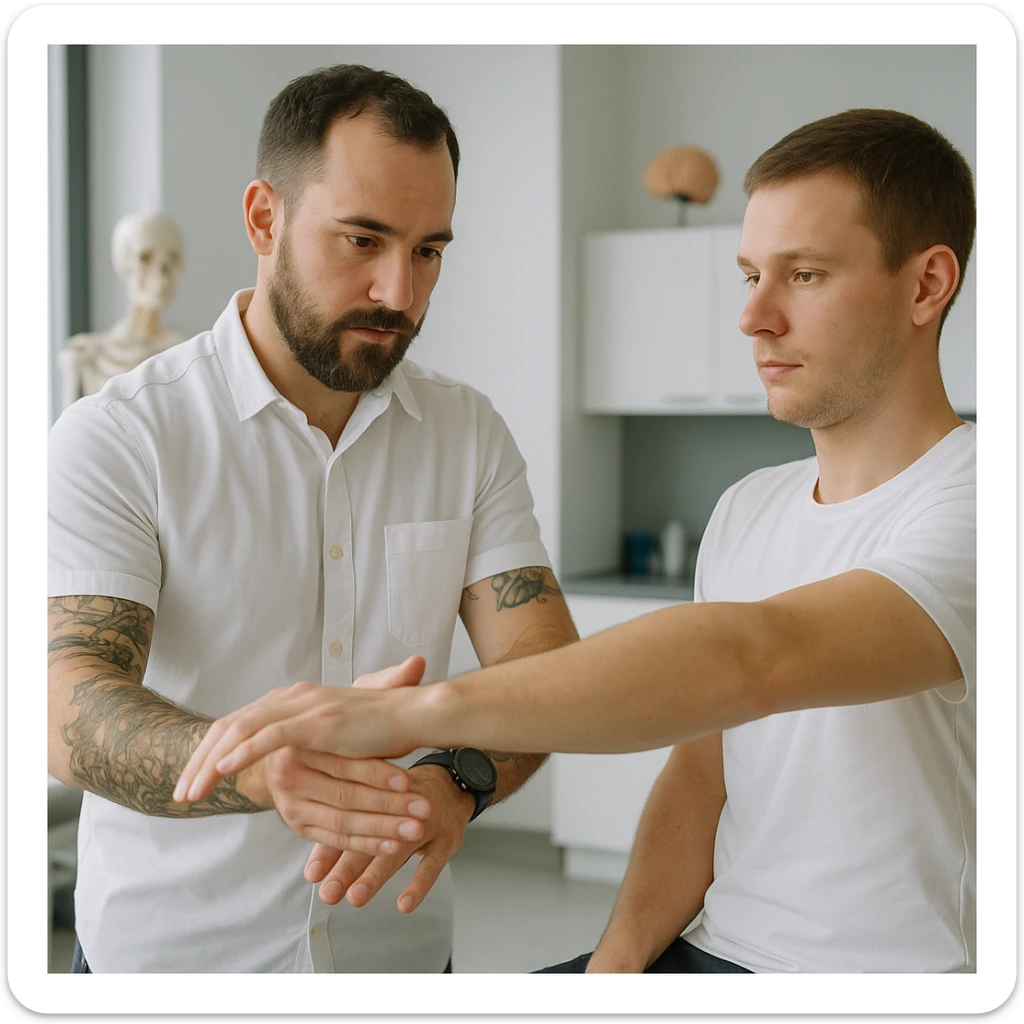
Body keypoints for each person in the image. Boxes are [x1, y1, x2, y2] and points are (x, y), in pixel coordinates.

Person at [178, 109, 977, 974]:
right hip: (711, 952)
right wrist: (613, 968)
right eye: (749, 274)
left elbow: (758, 661)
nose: (753, 316)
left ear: (927, 285)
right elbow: (701, 781)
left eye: (806, 275)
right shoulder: (750, 509)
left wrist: (402, 712)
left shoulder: (982, 494)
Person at [47, 63, 578, 974]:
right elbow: (63, 701)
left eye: (428, 251)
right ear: (265, 218)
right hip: (172, 966)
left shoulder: (467, 432)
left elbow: (547, 671)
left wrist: (457, 779)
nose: (399, 292)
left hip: (401, 962)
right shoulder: (121, 435)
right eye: (362, 239)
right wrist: (247, 766)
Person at [58, 211, 187, 410]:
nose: (162, 271)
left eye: (171, 258)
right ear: (124, 262)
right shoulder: (86, 355)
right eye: (145, 257)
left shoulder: (184, 355)